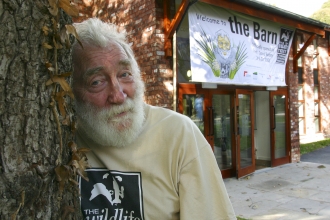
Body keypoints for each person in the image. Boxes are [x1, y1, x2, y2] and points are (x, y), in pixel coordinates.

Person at [72, 18, 236, 220]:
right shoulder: (63, 139)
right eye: (96, 81)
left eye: (125, 74)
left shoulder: (179, 135)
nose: (118, 95)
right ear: (71, 92)